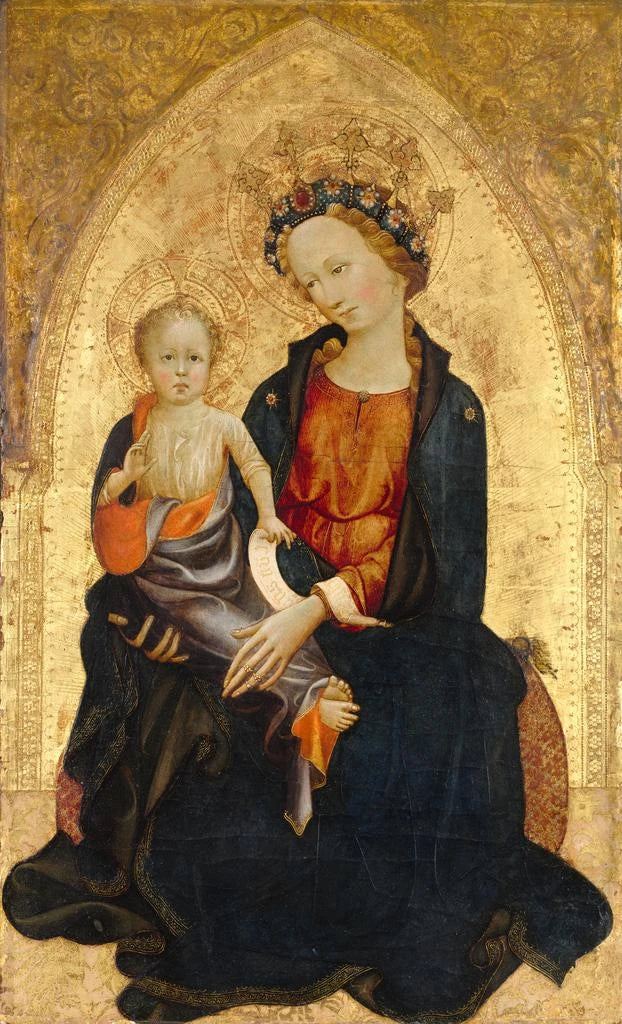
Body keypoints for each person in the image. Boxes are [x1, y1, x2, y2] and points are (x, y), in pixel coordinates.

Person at [3, 178, 612, 1024]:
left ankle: (377, 931)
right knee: (201, 699)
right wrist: (243, 603)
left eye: (339, 268)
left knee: (452, 689)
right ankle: (231, 931)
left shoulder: (454, 411)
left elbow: (450, 571)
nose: (326, 294)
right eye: (309, 281)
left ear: (394, 264)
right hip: (269, 604)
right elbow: (236, 523)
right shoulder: (280, 394)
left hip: (401, 624)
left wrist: (317, 611)